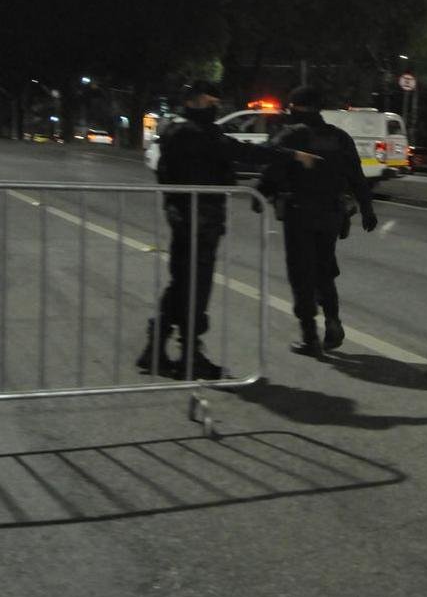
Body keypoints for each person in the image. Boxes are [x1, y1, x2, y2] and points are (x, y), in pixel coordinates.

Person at [139, 81, 319, 379]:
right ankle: (189, 355)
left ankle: (155, 350)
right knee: (195, 286)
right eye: (211, 101)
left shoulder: (176, 128)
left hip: (186, 215)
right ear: (195, 101)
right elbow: (240, 151)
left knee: (182, 283)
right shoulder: (192, 132)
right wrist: (292, 155)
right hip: (198, 218)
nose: (215, 107)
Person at [256, 86, 378, 357]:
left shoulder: (292, 134)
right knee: (324, 269)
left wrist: (259, 195)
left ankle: (309, 337)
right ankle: (332, 322)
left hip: (300, 214)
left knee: (301, 273)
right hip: (332, 215)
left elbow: (273, 170)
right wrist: (367, 209)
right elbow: (357, 176)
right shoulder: (340, 137)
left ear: (295, 107)